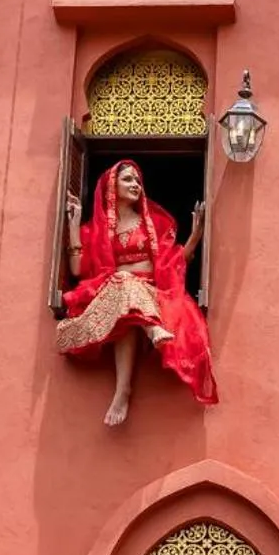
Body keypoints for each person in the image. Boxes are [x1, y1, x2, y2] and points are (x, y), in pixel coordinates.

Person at [57, 160, 218, 424]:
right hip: (114, 292)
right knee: (123, 283)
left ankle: (123, 388)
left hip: (151, 294)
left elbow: (173, 261)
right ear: (112, 185)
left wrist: (196, 236)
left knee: (129, 305)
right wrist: (74, 223)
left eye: (138, 181)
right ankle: (149, 334)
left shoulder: (152, 222)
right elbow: (76, 269)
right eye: (128, 180)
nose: (136, 186)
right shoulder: (96, 228)